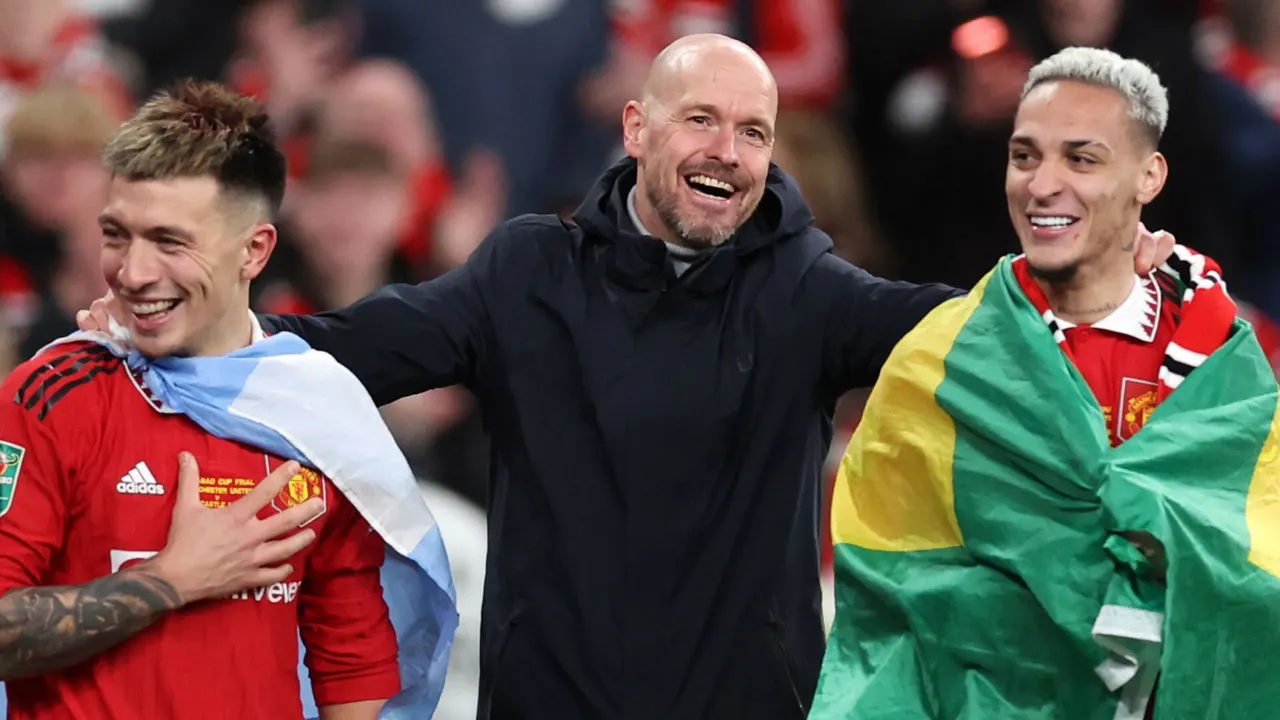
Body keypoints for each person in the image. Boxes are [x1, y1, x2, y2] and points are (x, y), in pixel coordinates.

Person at [79, 35, 1177, 719]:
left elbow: (973, 335)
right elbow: (357, 346)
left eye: (753, 131)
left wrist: (1103, 290)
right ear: (637, 128)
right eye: (701, 119)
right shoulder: (526, 271)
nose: (727, 150)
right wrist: (190, 325)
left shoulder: (808, 291)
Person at [810, 47, 1280, 719]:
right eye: (1024, 156)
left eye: (1081, 159)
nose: (1042, 184)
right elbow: (893, 584)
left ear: (1148, 177)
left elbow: (1259, 565)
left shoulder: (1221, 359)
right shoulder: (942, 359)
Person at [0, 80, 408, 720]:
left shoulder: (318, 415)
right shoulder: (49, 396)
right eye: (116, 235)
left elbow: (351, 660)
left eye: (170, 242)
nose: (133, 273)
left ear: (254, 251)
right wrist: (171, 580)